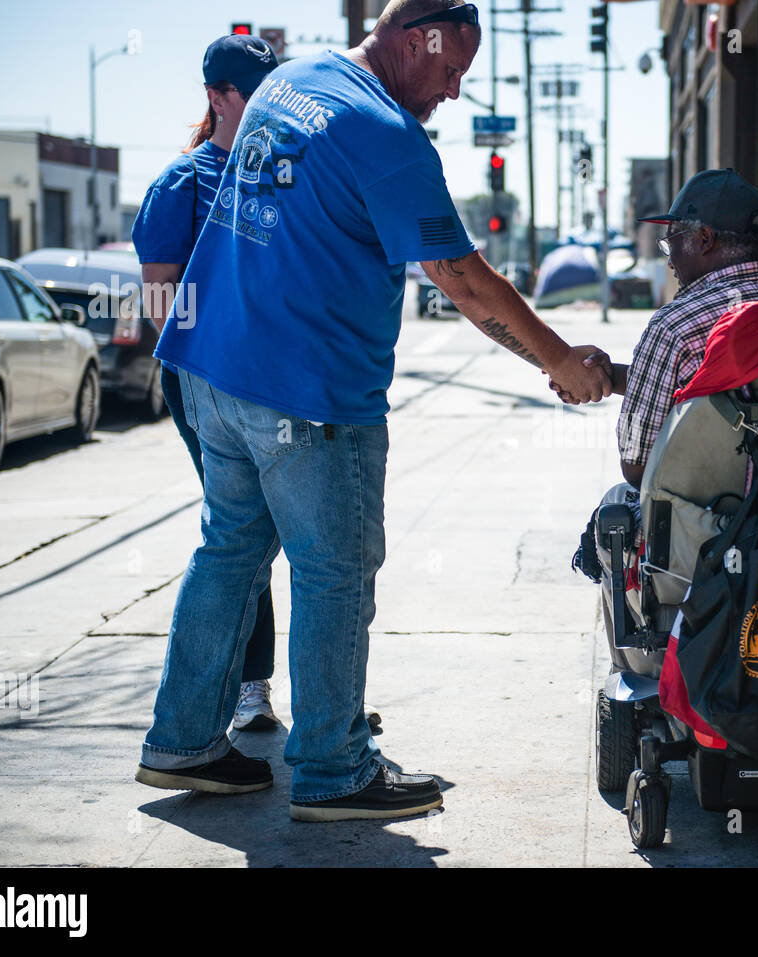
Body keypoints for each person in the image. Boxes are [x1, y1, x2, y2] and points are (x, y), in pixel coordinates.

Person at [135, 0, 613, 822]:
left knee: (230, 552)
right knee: (334, 570)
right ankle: (332, 767)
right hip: (307, 396)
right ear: (414, 34)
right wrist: (562, 363)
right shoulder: (386, 134)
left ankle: (182, 740)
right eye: (453, 67)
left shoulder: (290, 81)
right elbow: (460, 280)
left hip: (213, 373)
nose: (456, 93)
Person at [132, 33, 283, 734]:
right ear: (218, 98)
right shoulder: (181, 185)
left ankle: (245, 687)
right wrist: (214, 348)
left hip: (271, 376)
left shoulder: (277, 173)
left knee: (263, 529)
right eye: (251, 92)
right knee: (244, 529)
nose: (263, 106)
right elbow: (160, 303)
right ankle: (244, 687)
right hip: (203, 384)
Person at [554, 168, 758, 487]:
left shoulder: (676, 324)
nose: (669, 260)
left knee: (614, 507)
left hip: (708, 517)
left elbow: (636, 464)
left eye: (670, 243)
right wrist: (615, 375)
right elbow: (750, 378)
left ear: (704, 239)